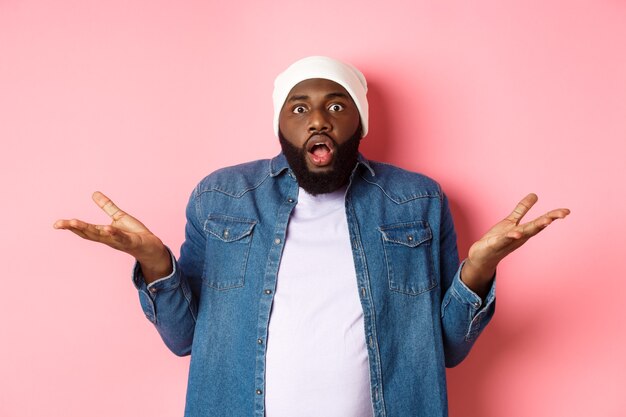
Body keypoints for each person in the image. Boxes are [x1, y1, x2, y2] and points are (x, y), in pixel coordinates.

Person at [54, 56, 570, 417]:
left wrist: (477, 271)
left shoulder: (417, 200)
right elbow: (184, 339)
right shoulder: (223, 195)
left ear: (360, 120)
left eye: (336, 105)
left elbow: (446, 352)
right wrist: (155, 263)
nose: (318, 119)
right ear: (279, 123)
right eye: (299, 107)